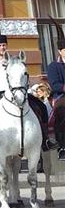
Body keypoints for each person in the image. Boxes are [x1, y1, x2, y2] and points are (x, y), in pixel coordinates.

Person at [0, 17, 51, 165]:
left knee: (40, 107)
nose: (2, 48)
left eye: (4, 45)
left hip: (16, 93)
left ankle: (45, 140)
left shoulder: (15, 60)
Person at [45, 20, 65, 160]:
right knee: (62, 113)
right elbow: (55, 84)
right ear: (60, 51)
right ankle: (62, 146)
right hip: (61, 96)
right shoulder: (53, 66)